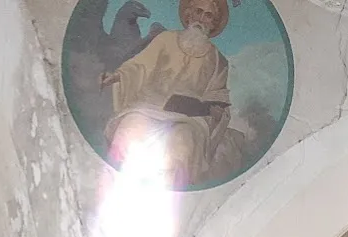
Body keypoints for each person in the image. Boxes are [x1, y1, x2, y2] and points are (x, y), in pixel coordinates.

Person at [100, 0, 243, 189]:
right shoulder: (166, 39)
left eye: (208, 15)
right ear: (189, 14)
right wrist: (117, 75)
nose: (201, 18)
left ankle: (169, 195)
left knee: (183, 144)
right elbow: (140, 66)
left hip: (189, 120)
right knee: (128, 129)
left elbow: (220, 98)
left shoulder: (218, 61)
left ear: (214, 23)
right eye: (198, 12)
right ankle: (117, 186)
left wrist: (217, 113)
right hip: (149, 106)